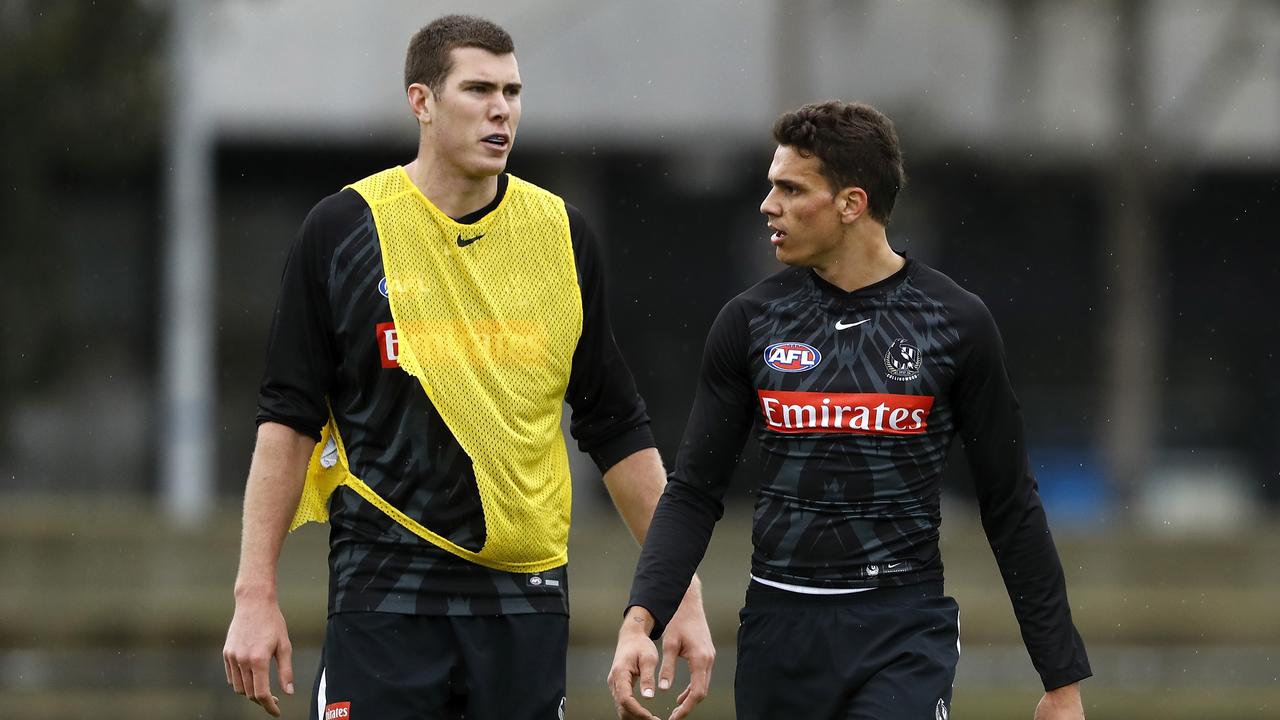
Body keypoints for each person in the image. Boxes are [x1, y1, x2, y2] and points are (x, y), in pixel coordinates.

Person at [222, 15, 713, 720]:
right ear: (421, 101)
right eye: (479, 89)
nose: (501, 110)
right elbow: (287, 418)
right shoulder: (343, 230)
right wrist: (254, 595)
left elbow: (617, 426)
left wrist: (681, 596)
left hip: (525, 598)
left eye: (512, 92)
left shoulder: (562, 236)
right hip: (383, 590)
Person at [608, 101, 1091, 720]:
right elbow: (695, 493)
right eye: (769, 187)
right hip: (778, 631)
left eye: (790, 188)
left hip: (902, 631)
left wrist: (1062, 682)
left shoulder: (958, 323)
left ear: (851, 204)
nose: (768, 205)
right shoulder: (749, 323)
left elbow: (1010, 505)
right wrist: (639, 620)